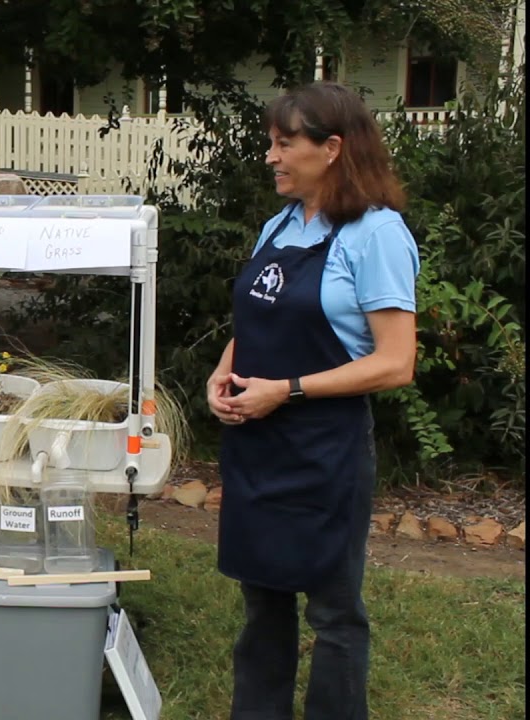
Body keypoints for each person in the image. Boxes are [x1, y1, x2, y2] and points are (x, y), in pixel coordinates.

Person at [206, 81, 419, 719]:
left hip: (324, 450)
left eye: (283, 144)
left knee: (333, 611)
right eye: (270, 143)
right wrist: (226, 370)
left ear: (331, 148)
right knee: (262, 598)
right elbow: (254, 320)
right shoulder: (282, 223)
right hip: (256, 443)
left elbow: (395, 361)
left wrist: (288, 390)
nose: (271, 156)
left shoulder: (376, 235)